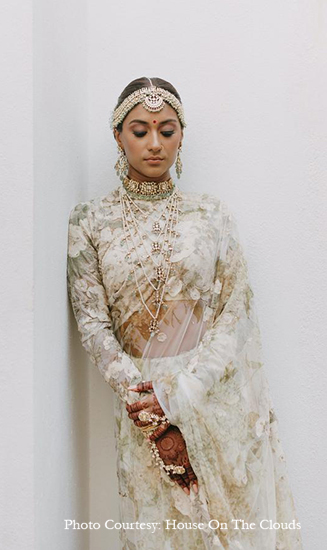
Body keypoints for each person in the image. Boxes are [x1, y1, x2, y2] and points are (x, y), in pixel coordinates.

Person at [66, 76, 303, 550]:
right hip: (140, 409)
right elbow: (92, 324)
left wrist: (180, 396)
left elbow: (235, 312)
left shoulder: (211, 215)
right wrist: (151, 411)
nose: (155, 143)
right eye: (140, 130)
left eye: (167, 130)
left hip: (212, 402)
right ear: (118, 135)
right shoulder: (90, 220)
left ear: (181, 135)